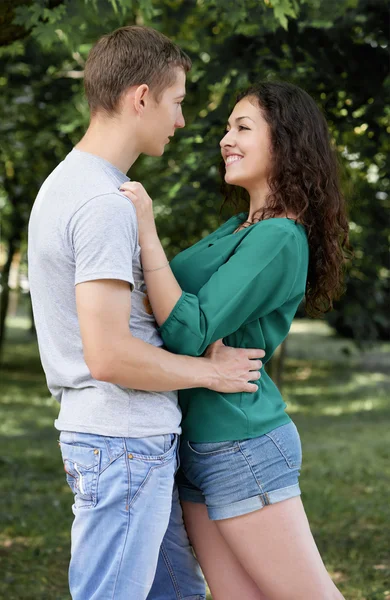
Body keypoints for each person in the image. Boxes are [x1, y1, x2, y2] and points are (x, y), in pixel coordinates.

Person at [27, 26, 265, 600]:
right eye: (177, 102)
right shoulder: (102, 204)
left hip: (121, 441)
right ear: (140, 97)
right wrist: (214, 372)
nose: (182, 121)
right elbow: (108, 354)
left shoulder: (73, 184)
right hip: (123, 443)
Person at [119, 81, 351, 600]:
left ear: (286, 143)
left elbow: (187, 327)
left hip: (242, 444)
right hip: (198, 443)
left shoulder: (278, 237)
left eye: (242, 127)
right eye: (227, 127)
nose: (226, 138)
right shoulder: (237, 227)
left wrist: (147, 229)